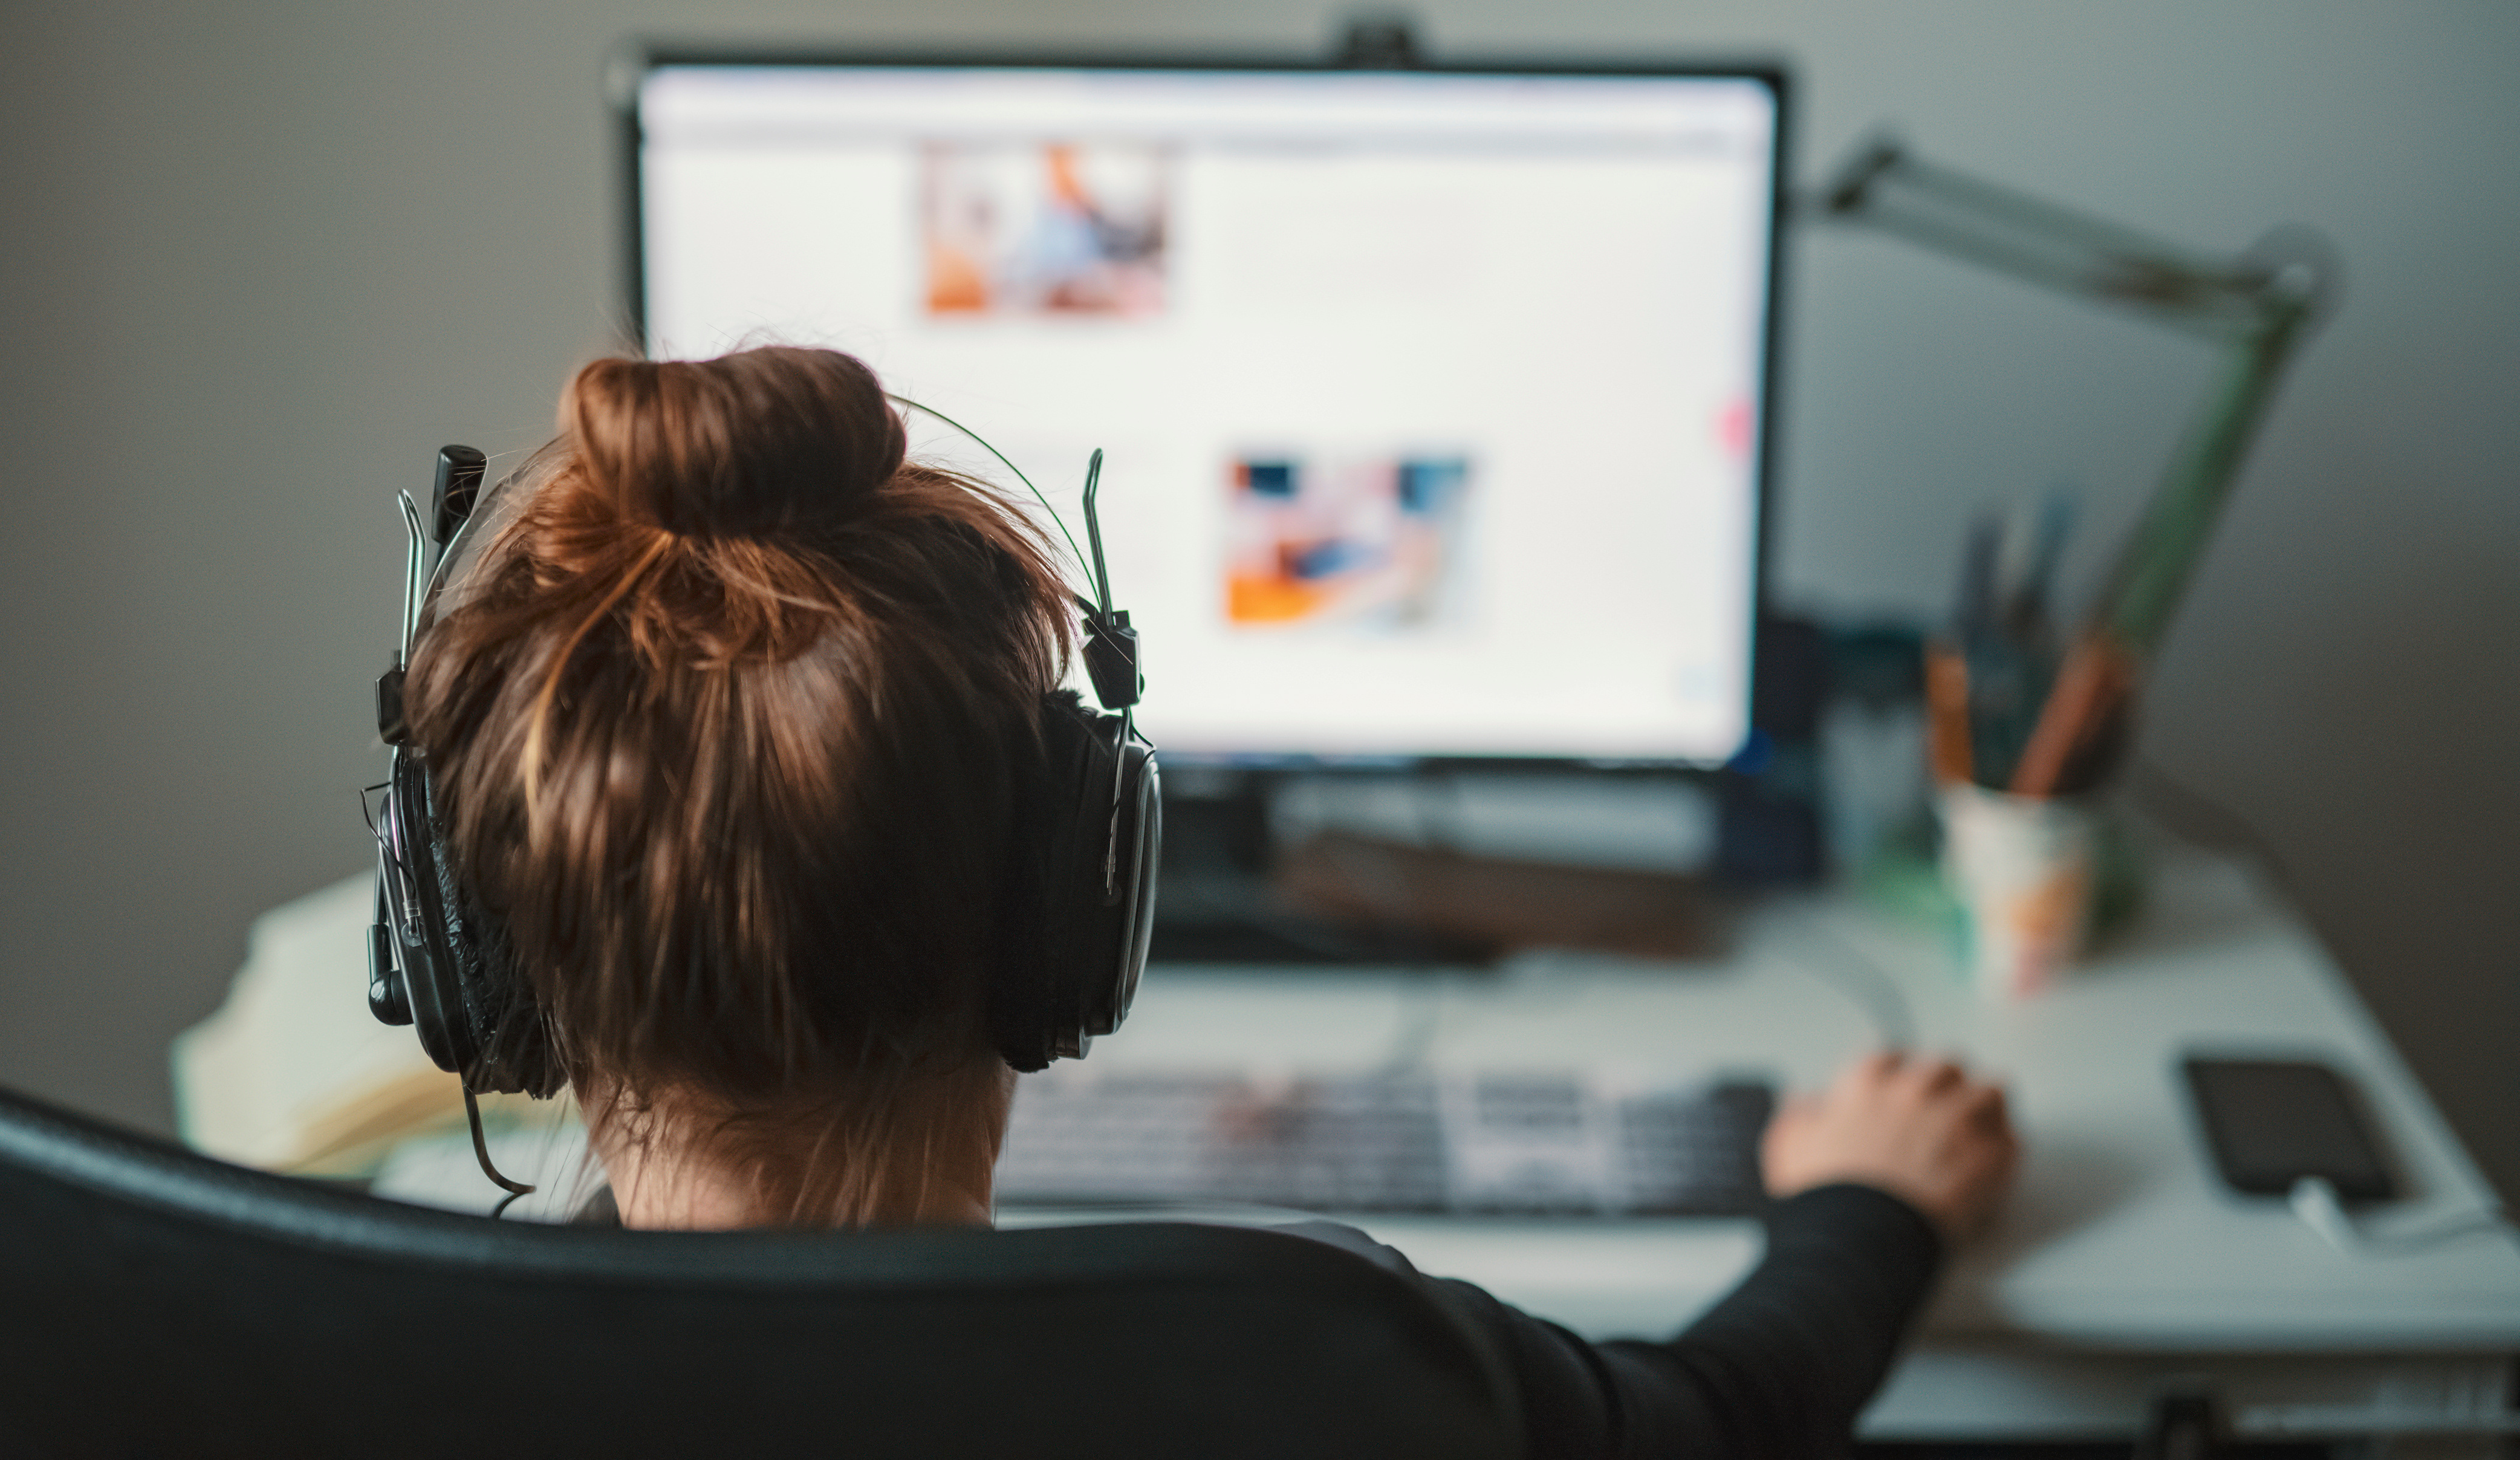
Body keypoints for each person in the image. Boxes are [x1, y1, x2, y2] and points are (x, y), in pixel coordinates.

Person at [403, 343, 2021, 1458]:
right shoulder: (1301, 1351)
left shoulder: (386, 1371)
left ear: (470, 947)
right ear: (1074, 903)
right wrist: (1866, 1206)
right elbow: (1718, 1420)